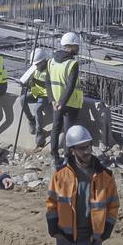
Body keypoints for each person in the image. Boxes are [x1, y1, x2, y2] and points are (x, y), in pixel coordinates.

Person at [47, 125, 118, 245]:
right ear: (72, 150)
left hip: (92, 242)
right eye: (81, 148)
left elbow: (113, 206)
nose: (87, 151)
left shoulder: (105, 176)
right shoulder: (60, 175)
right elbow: (52, 203)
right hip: (66, 240)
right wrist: (54, 229)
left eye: (88, 146)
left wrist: (105, 232)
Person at [48, 32, 85, 165]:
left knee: (56, 128)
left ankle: (54, 155)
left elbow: (48, 82)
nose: (78, 48)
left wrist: (53, 100)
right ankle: (68, 159)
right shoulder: (72, 64)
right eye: (76, 46)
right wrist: (63, 103)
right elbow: (70, 87)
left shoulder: (51, 61)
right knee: (69, 132)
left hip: (56, 102)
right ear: (69, 47)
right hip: (70, 103)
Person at [21, 47, 54, 147]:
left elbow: (50, 85)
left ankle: (39, 132)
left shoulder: (50, 68)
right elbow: (28, 80)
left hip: (46, 95)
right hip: (36, 92)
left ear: (43, 61)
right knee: (22, 100)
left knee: (37, 108)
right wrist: (27, 83)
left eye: (38, 63)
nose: (37, 66)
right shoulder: (34, 67)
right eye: (35, 64)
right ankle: (31, 120)